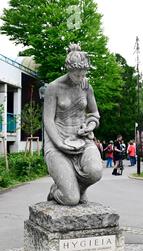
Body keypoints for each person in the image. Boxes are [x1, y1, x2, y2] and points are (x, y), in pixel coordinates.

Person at [43, 44, 103, 206]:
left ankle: (78, 188)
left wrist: (90, 126)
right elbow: (47, 119)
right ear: (68, 70)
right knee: (71, 199)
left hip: (83, 140)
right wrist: (59, 144)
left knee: (96, 171)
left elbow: (94, 114)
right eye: (77, 75)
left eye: (83, 74)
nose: (80, 78)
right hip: (58, 142)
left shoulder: (86, 86)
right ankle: (57, 191)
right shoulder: (53, 88)